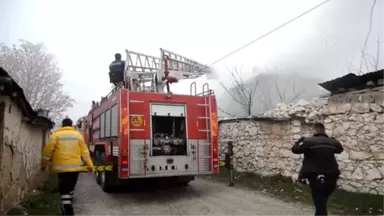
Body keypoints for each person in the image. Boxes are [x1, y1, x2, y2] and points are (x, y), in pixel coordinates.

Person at [41, 117, 94, 216]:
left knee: (64, 191)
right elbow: (85, 152)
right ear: (71, 125)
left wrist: (43, 165)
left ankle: (68, 212)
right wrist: (90, 165)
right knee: (70, 189)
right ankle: (67, 207)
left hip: (62, 169)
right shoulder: (78, 135)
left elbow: (47, 152)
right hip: (75, 169)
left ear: (62, 125)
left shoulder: (55, 135)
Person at [291, 122, 343, 216]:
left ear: (314, 130)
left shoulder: (308, 141)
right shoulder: (332, 141)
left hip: (315, 175)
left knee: (320, 202)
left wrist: (299, 141)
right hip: (332, 175)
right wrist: (334, 140)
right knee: (321, 202)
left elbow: (295, 150)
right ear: (324, 130)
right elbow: (340, 150)